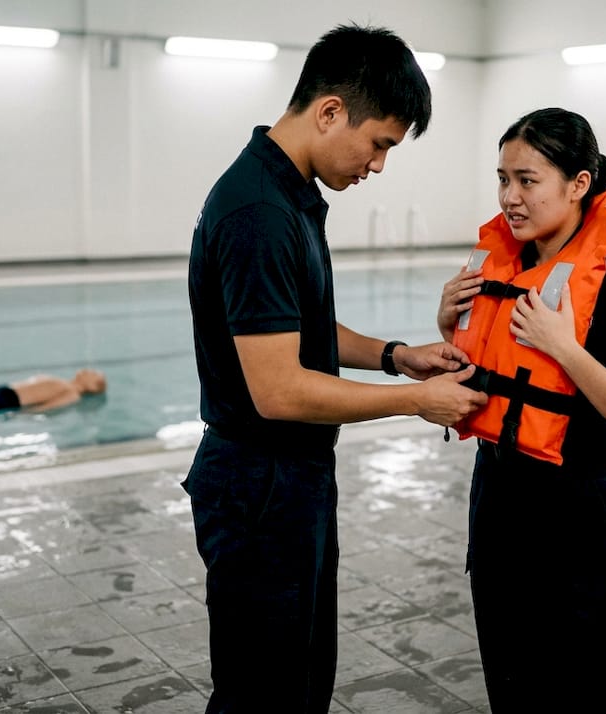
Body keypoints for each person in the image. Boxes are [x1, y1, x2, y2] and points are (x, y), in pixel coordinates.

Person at [183, 24, 487, 714]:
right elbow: (279, 389)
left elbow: (302, 332)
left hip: (287, 479)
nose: (379, 165)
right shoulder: (260, 211)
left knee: (299, 678)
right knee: (265, 694)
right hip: (260, 483)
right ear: (329, 111)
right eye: (379, 143)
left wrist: (396, 357)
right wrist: (415, 402)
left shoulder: (284, 191)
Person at [437, 108, 606, 711]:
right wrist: (446, 325)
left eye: (528, 180)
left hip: (582, 514)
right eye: (502, 179)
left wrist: (566, 350)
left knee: (584, 694)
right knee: (512, 686)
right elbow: (489, 369)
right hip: (499, 500)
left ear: (578, 184)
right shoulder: (502, 264)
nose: (510, 198)